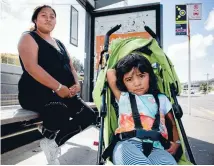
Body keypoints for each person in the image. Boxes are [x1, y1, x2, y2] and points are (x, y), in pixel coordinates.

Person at [17, 5, 96, 165]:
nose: (48, 18)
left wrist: (76, 84)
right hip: (34, 92)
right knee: (60, 111)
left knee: (89, 115)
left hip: (62, 92)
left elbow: (71, 67)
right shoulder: (28, 37)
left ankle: (52, 143)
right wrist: (58, 87)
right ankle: (48, 131)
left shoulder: (59, 43)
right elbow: (32, 68)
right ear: (35, 19)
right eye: (43, 15)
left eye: (52, 16)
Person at [106, 53, 181, 165]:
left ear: (150, 76)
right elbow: (110, 73)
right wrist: (130, 58)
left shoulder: (162, 99)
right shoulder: (124, 97)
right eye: (129, 79)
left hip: (158, 147)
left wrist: (177, 143)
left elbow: (173, 124)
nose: (137, 83)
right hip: (127, 143)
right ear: (123, 83)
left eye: (141, 76)